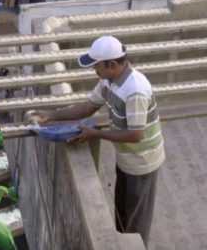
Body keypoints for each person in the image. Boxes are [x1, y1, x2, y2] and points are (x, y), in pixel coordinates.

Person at [26, 35, 165, 247]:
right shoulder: (107, 81)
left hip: (143, 164)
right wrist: (51, 115)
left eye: (97, 65)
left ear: (112, 64)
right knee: (123, 214)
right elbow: (86, 108)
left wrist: (97, 134)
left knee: (135, 224)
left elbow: (137, 135)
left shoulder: (135, 89)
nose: (94, 70)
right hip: (127, 160)